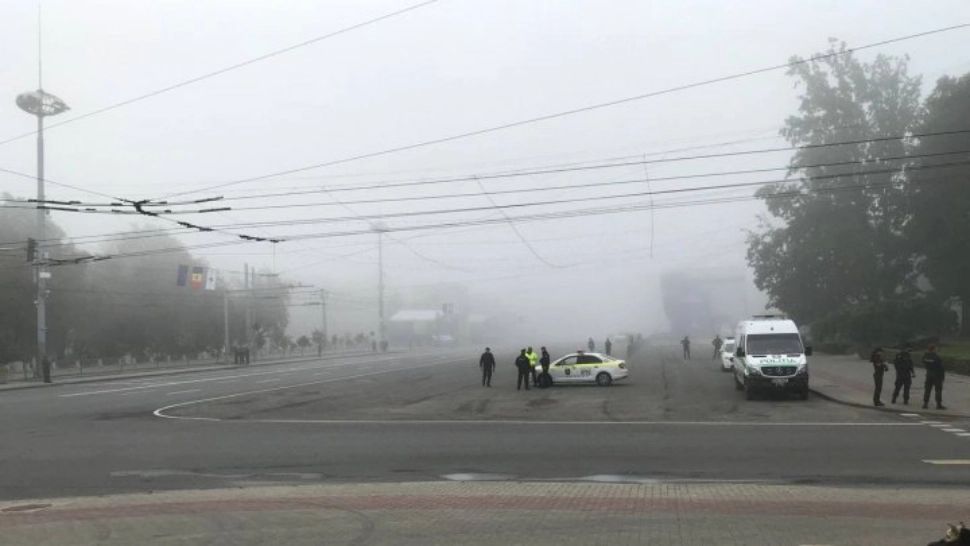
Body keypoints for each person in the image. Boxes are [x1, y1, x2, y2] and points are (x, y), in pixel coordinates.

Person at [922, 344, 946, 410]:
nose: (937, 350)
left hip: (929, 374)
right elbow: (941, 367)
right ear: (933, 349)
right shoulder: (936, 357)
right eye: (936, 349)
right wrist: (942, 376)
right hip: (937, 375)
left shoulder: (925, 356)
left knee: (927, 389)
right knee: (938, 390)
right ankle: (938, 404)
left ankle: (925, 403)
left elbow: (924, 362)